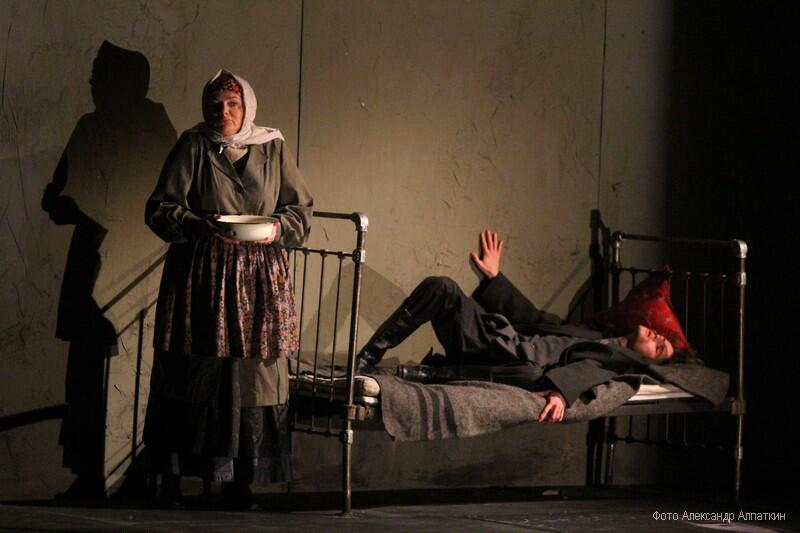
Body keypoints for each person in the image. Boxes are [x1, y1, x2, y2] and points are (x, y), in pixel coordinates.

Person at [143, 69, 312, 510]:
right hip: (203, 276)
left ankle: (241, 481)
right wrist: (197, 224)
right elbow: (159, 208)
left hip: (259, 278)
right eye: (215, 105)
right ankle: (174, 479)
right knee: (197, 370)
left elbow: (300, 210)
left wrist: (276, 229)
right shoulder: (194, 146)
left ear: (247, 107)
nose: (223, 112)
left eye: (232, 104)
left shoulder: (272, 147)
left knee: (252, 374)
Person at [356, 230, 693, 424]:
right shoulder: (595, 332)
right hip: (494, 341)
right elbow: (537, 319)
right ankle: (368, 357)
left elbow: (590, 372)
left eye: (660, 346)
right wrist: (494, 278)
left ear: (647, 362)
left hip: (512, 366)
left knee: (531, 374)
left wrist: (560, 392)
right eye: (660, 334)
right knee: (442, 287)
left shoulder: (618, 362)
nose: (656, 335)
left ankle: (434, 374)